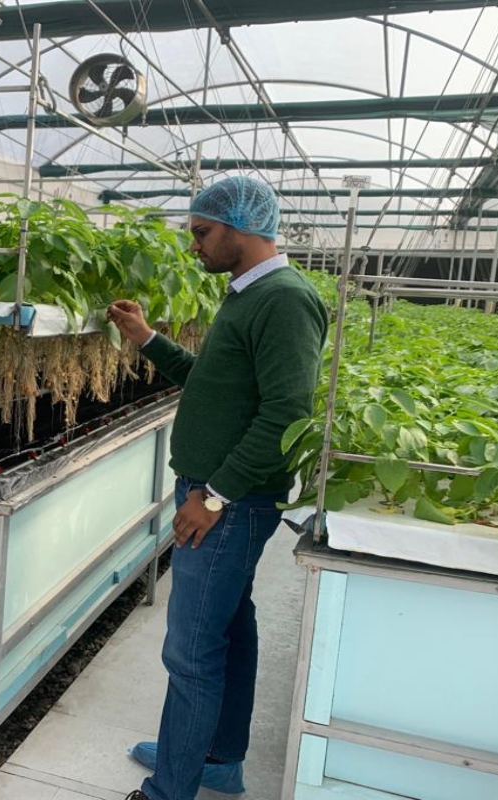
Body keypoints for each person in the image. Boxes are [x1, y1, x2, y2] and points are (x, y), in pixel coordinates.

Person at [107, 176, 327, 800]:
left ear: (240, 227)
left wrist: (215, 496)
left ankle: (169, 789)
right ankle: (217, 759)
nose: (194, 245)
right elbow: (215, 382)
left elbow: (287, 411)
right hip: (218, 495)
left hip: (229, 502)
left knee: (192, 651)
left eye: (202, 232)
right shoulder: (248, 293)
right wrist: (146, 339)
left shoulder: (284, 299)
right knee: (230, 631)